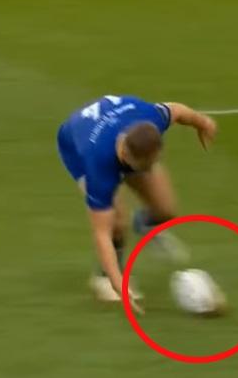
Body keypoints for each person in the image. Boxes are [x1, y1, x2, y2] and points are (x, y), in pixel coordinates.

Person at [56, 95, 217, 314]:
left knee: (165, 210)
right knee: (116, 222)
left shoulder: (152, 118)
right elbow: (101, 234)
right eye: (143, 167)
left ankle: (144, 224)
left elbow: (177, 111)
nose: (147, 170)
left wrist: (203, 122)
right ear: (125, 154)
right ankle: (103, 278)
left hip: (119, 131)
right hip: (75, 145)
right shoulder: (99, 166)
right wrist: (119, 285)